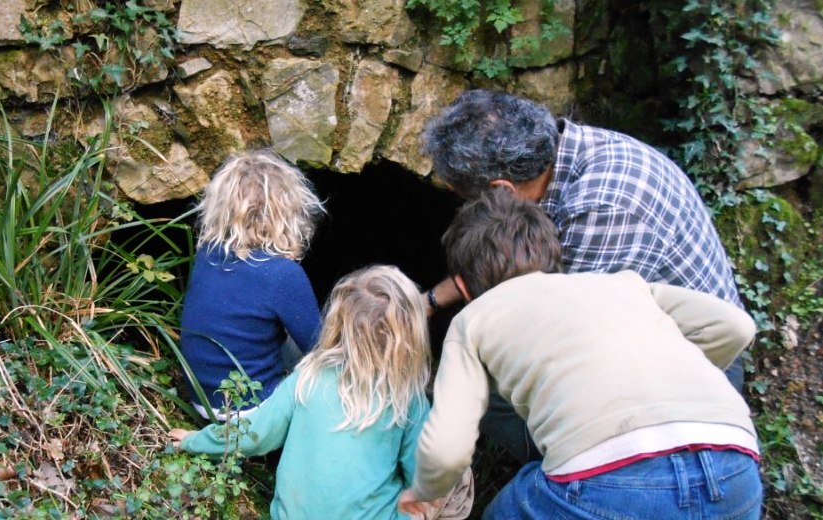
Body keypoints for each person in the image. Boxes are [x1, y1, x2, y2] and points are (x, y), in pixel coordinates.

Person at [399, 191, 762, 519]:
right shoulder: (623, 283)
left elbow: (447, 449)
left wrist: (424, 493)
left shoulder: (473, 320)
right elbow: (735, 327)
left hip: (609, 482)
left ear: (462, 286)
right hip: (734, 463)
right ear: (552, 254)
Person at [420, 90, 745, 389]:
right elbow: (508, 260)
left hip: (698, 367)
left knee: (489, 391)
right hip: (641, 331)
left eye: (462, 198)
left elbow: (556, 339)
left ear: (501, 190)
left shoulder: (600, 210)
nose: (463, 207)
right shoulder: (565, 152)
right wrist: (432, 300)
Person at [171, 266, 474, 519]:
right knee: (456, 478)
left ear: (338, 321)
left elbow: (255, 434)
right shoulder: (408, 401)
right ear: (411, 338)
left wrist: (195, 441)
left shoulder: (308, 376)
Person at [179, 149, 325, 420]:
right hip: (251, 411)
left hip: (201, 399)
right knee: (327, 360)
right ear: (289, 211)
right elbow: (320, 349)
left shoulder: (207, 254)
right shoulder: (282, 274)